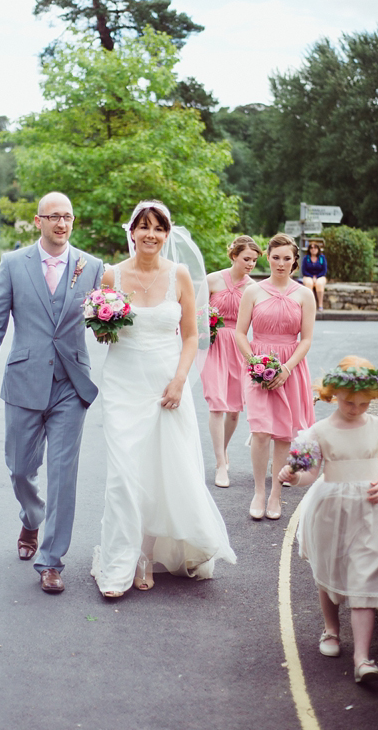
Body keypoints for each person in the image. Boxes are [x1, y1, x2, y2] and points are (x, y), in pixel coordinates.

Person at [91, 200, 236, 598]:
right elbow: (104, 337)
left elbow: (192, 336)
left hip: (167, 383)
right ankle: (124, 559)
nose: (150, 234)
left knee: (162, 468)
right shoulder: (112, 275)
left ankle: (147, 553)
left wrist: (179, 380)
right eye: (144, 227)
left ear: (167, 235)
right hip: (123, 383)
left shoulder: (181, 276)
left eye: (158, 228)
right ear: (132, 232)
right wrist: (102, 322)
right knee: (124, 472)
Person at [0, 192, 103, 594]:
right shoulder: (14, 264)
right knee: (19, 467)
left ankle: (51, 561)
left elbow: (106, 318)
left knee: (64, 475)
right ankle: (31, 518)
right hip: (24, 381)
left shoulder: (92, 267)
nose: (62, 224)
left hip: (71, 384)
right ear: (38, 221)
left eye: (68, 217)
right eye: (54, 217)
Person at [278, 356, 378, 684]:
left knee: (365, 576)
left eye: (364, 403)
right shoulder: (320, 431)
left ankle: (363, 658)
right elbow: (311, 474)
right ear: (333, 394)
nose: (356, 408)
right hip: (331, 506)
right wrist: (292, 477)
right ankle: (331, 630)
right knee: (328, 569)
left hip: (371, 511)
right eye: (349, 402)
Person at [235, 233, 315, 521]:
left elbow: (306, 340)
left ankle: (276, 494)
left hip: (290, 368)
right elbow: (240, 334)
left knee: (283, 433)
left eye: (287, 258)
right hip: (258, 367)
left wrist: (286, 368)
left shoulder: (305, 294)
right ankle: (258, 491)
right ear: (267, 257)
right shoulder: (253, 292)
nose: (281, 263)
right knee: (260, 431)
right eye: (276, 257)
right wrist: (256, 363)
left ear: (295, 261)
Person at [200, 235, 262, 488]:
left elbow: (257, 324)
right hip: (213, 345)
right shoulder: (212, 280)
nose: (250, 264)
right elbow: (196, 311)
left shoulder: (254, 288)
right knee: (216, 402)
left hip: (239, 346)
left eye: (255, 261)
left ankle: (223, 449)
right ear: (234, 255)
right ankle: (220, 464)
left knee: (234, 409)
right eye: (247, 258)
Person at [301, 241, 328, 311]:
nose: (313, 249)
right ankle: (309, 305)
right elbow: (304, 271)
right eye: (311, 248)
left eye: (315, 248)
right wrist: (311, 277)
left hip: (320, 276)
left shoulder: (322, 258)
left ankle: (320, 304)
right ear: (309, 249)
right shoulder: (306, 258)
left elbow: (324, 270)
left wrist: (316, 277)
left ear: (318, 249)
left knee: (319, 284)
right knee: (309, 283)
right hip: (308, 276)